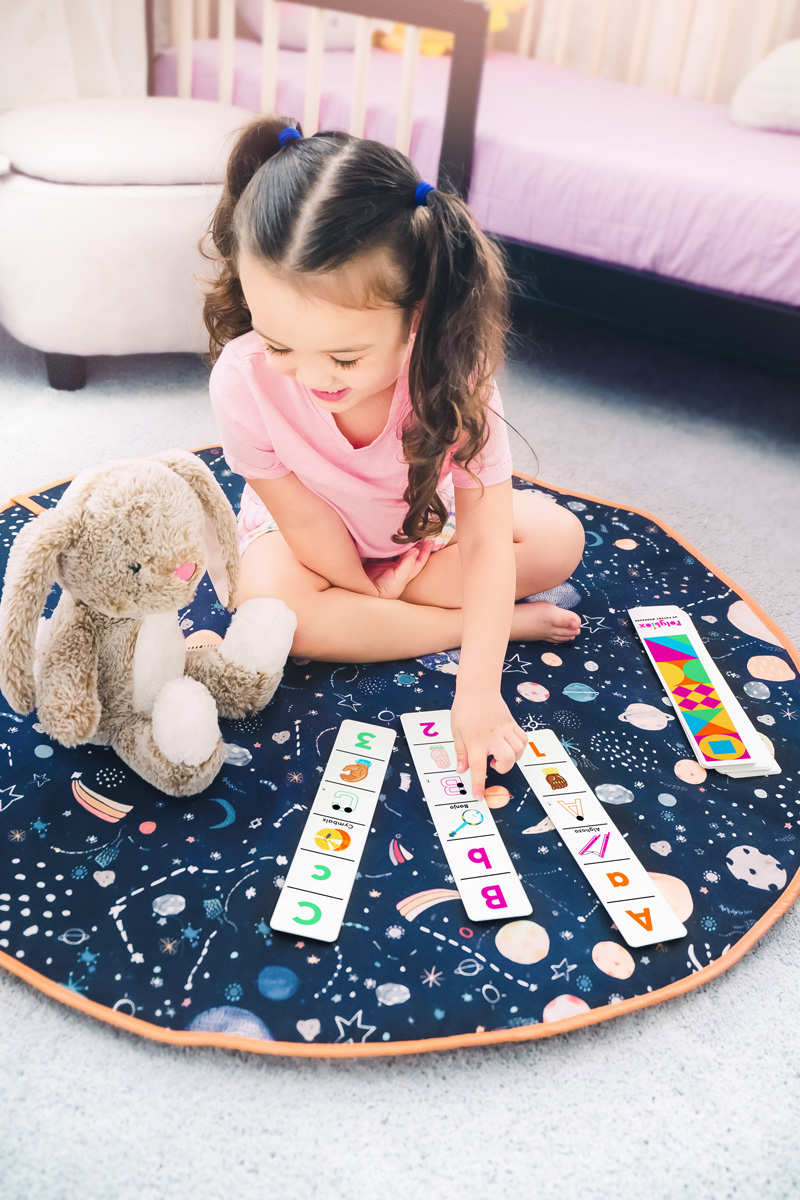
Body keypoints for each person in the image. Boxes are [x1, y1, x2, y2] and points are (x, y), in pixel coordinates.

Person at [199, 116, 585, 800]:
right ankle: (465, 626)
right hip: (309, 542)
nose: (312, 376)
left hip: (416, 532)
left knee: (559, 539)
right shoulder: (243, 377)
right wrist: (360, 587)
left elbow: (491, 542)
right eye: (279, 342)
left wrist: (478, 694)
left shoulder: (454, 379)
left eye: (345, 356)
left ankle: (406, 619)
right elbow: (304, 522)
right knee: (272, 610)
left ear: (417, 314)